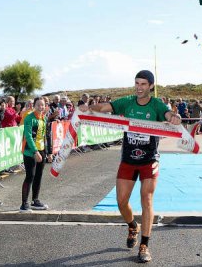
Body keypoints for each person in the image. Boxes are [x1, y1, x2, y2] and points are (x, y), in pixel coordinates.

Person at [79, 70, 182, 263]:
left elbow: (169, 115)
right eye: (137, 83)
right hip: (128, 159)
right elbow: (105, 107)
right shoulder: (126, 102)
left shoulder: (157, 104)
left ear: (151, 86)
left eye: (143, 84)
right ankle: (132, 225)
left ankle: (144, 245)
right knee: (121, 201)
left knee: (147, 200)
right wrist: (89, 107)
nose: (139, 87)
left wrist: (173, 118)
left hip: (149, 159)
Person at [20, 97, 49, 212]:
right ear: (34, 106)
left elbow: (44, 136)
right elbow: (28, 136)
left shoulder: (44, 118)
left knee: (38, 176)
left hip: (42, 150)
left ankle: (35, 200)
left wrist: (48, 152)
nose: (41, 107)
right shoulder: (29, 118)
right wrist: (35, 151)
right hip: (30, 151)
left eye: (42, 105)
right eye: (38, 105)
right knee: (30, 176)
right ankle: (24, 204)